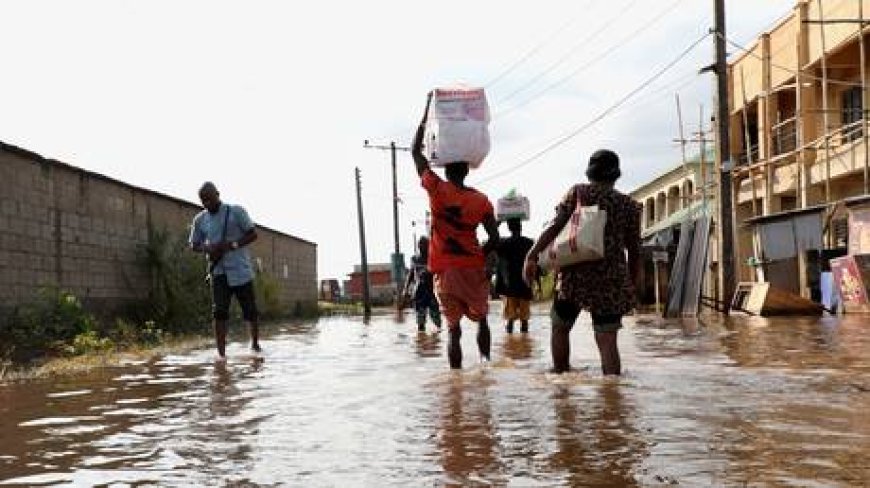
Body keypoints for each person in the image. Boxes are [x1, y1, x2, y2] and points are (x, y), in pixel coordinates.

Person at [523, 149, 641, 375]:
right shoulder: (628, 205)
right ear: (616, 175)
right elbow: (635, 250)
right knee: (607, 340)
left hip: (574, 277)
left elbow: (555, 226)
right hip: (612, 281)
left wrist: (532, 255)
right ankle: (612, 396)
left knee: (560, 328)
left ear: (590, 173)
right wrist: (631, 286)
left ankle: (561, 382)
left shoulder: (579, 193)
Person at [412, 92, 500, 369]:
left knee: (453, 330)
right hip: (472, 267)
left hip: (446, 271)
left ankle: (456, 380)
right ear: (467, 171)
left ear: (447, 170)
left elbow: (415, 151)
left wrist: (427, 110)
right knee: (482, 319)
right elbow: (495, 238)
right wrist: (480, 256)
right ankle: (486, 367)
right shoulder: (481, 200)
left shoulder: (437, 190)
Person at [189, 182, 261, 359]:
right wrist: (208, 248)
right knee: (219, 312)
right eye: (203, 201)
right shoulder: (200, 220)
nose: (206, 203)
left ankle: (255, 345)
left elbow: (253, 234)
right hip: (218, 272)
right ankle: (221, 355)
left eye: (209, 199)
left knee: (250, 311)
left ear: (218, 195)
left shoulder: (236, 211)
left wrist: (231, 245)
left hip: (241, 271)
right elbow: (193, 245)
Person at [494, 218, 535, 334]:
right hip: (524, 285)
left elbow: (492, 240)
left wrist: (497, 224)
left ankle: (510, 345)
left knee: (510, 320)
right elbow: (534, 262)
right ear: (521, 227)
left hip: (509, 287)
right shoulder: (529, 243)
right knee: (524, 321)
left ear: (509, 228)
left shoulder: (504, 244)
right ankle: (525, 347)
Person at [403, 235, 442, 332]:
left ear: (429, 246)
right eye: (420, 245)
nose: (422, 247)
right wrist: (406, 289)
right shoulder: (414, 259)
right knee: (420, 322)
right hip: (419, 293)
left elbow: (440, 274)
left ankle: (436, 339)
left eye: (425, 245)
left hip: (431, 292)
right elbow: (411, 274)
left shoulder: (433, 259)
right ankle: (421, 341)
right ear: (418, 246)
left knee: (437, 321)